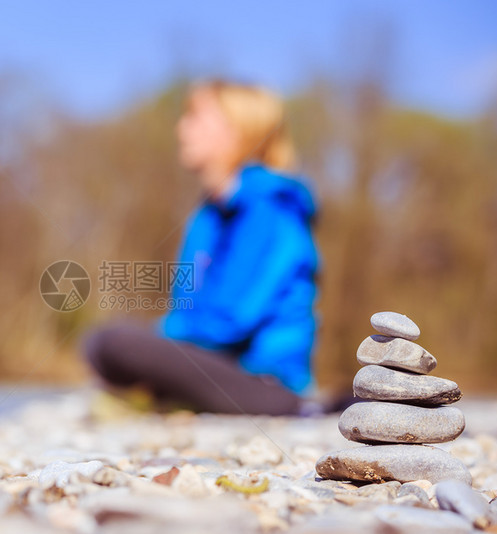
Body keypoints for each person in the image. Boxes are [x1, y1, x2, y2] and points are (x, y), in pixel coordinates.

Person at [81, 80, 319, 416]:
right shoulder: (207, 216)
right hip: (218, 367)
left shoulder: (270, 207)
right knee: (105, 343)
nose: (181, 128)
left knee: (115, 342)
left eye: (195, 117)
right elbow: (190, 305)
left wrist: (162, 345)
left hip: (266, 384)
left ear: (239, 131)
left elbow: (232, 318)